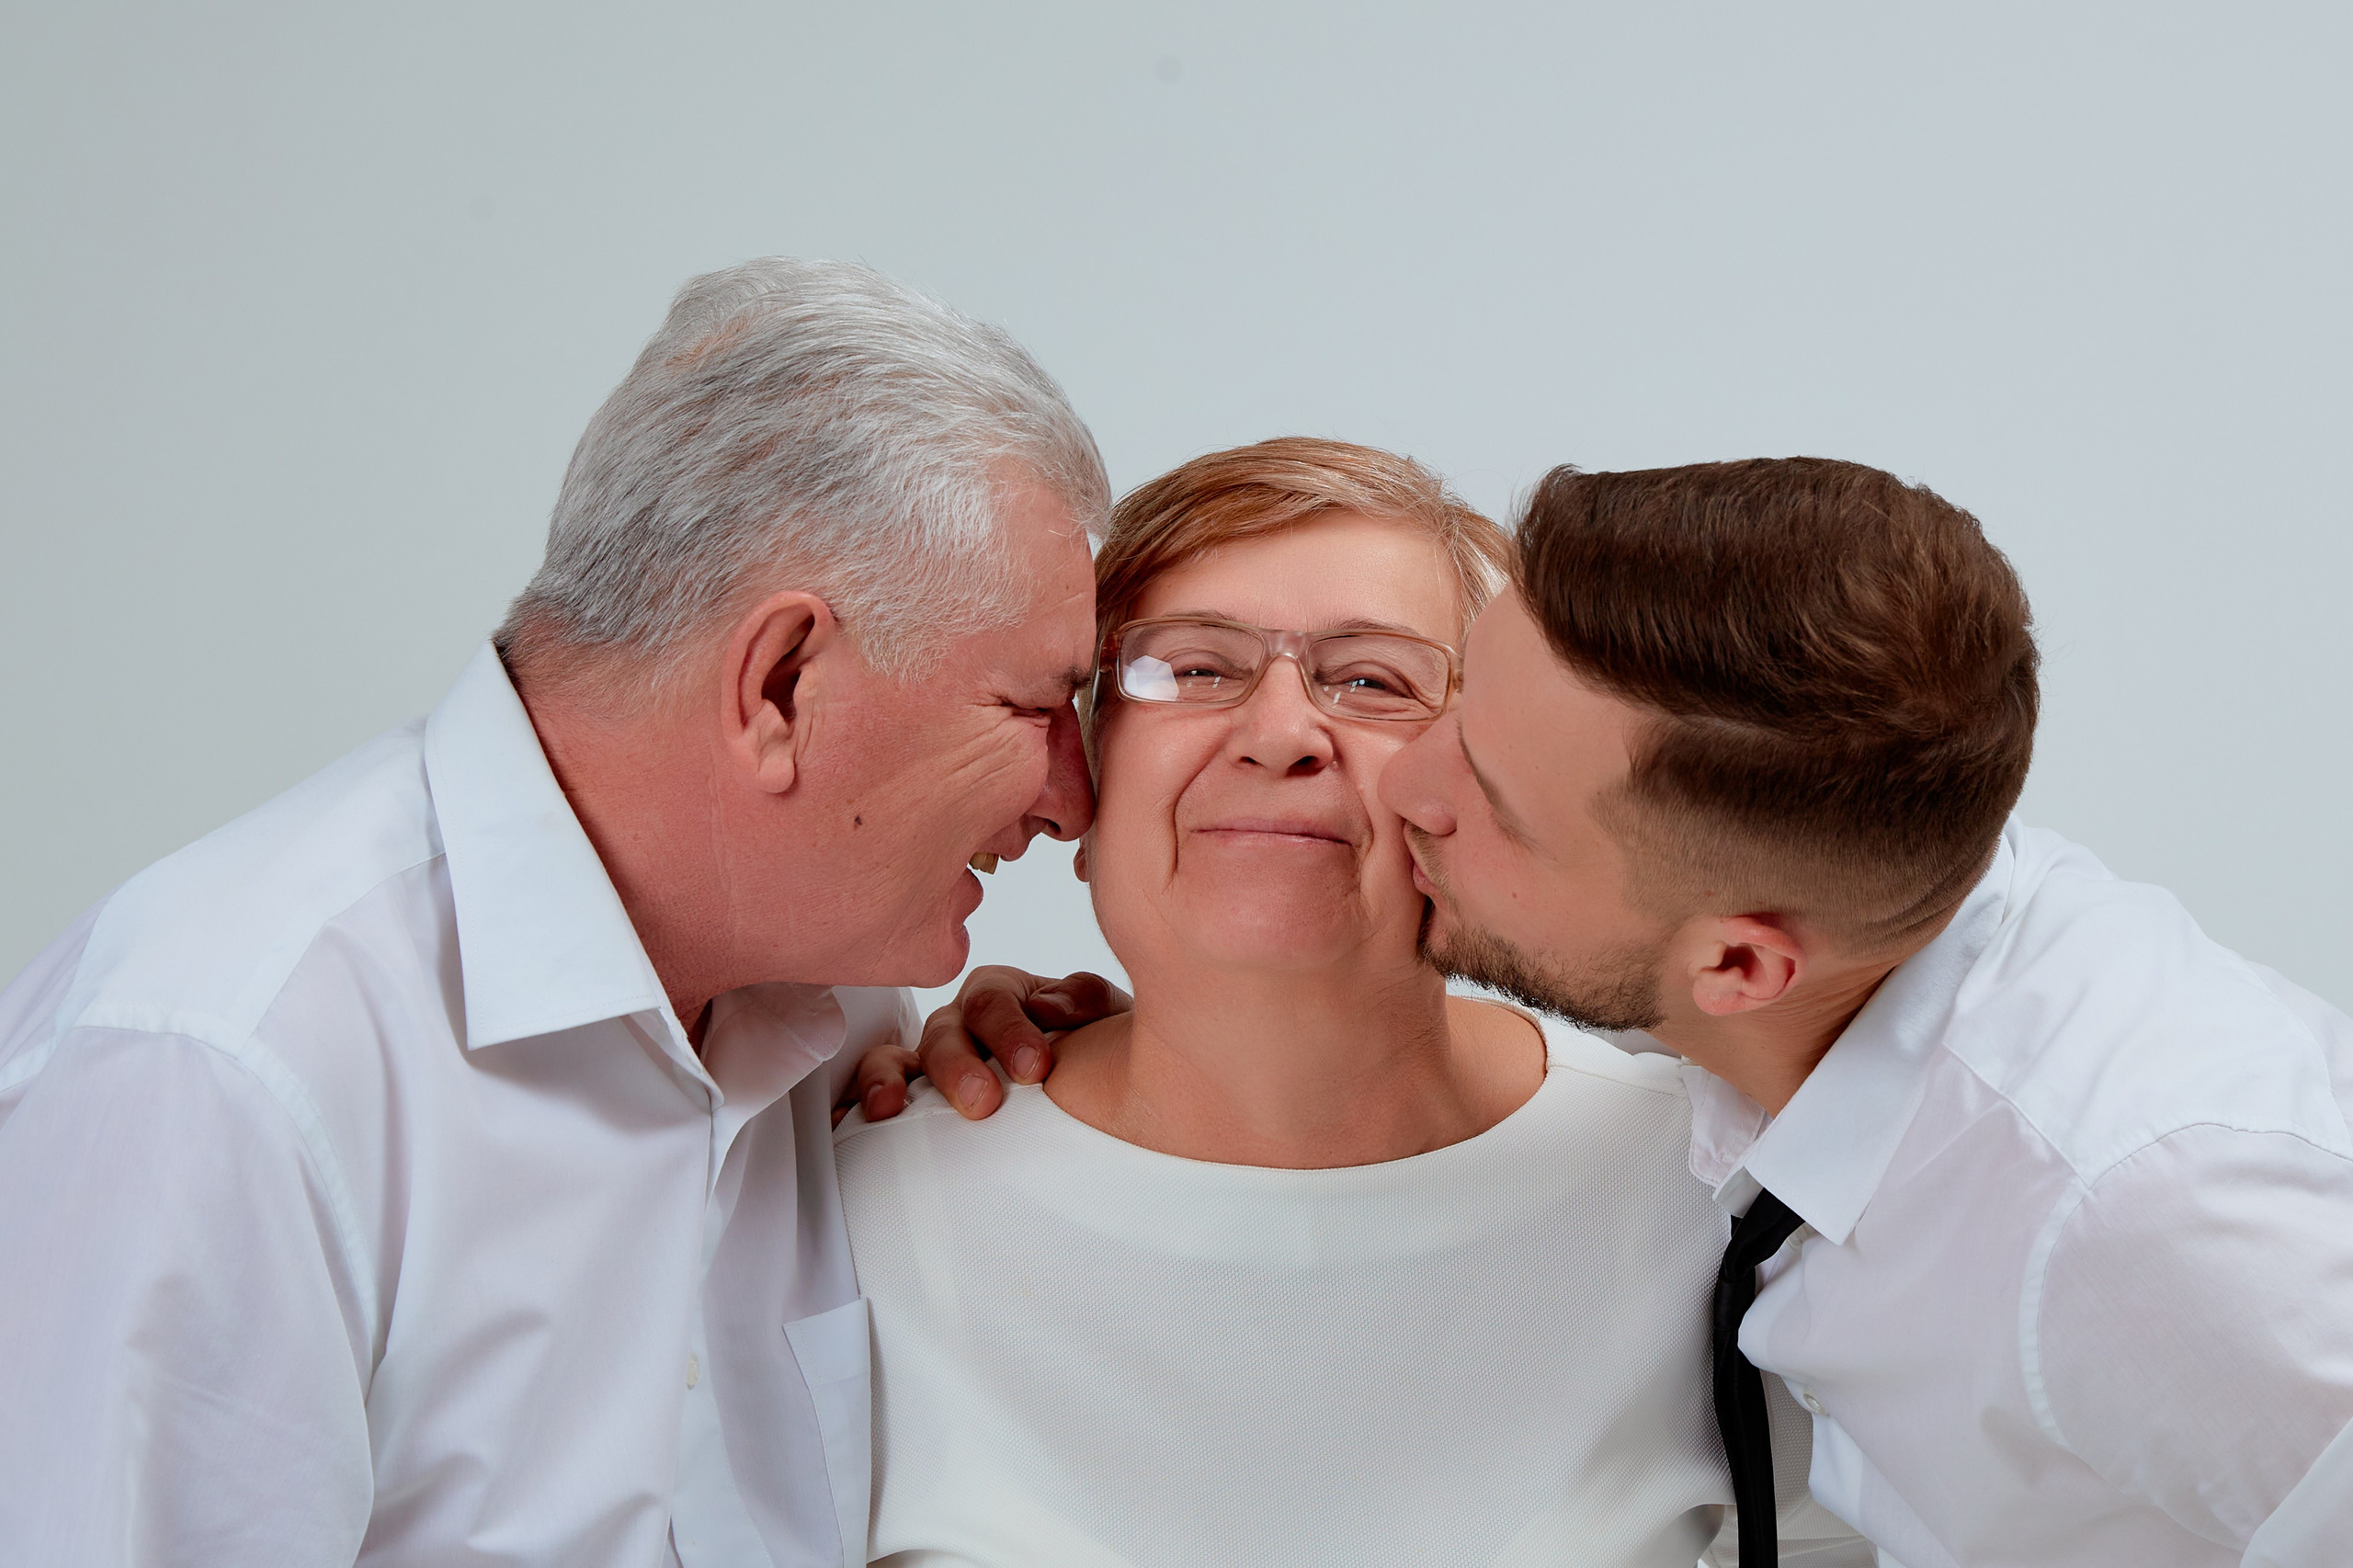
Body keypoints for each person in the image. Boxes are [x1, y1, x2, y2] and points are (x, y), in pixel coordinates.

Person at [926, 459, 2353, 1566]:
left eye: (1476, 783)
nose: (1398, 781)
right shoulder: (1784, 1003)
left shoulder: (2155, 1213)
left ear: (1736, 967)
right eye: (1466, 705)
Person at [0, 257, 1105, 1567]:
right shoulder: (218, 1077)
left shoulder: (836, 1001)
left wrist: (1027, 1137)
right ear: (782, 682)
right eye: (1036, 706)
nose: (1073, 797)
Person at [836, 439, 1869, 1566]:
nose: (1280, 734)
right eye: (1193, 667)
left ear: (1486, 783)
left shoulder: (1718, 1191)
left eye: (1373, 680)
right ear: (1081, 770)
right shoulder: (857, 1216)